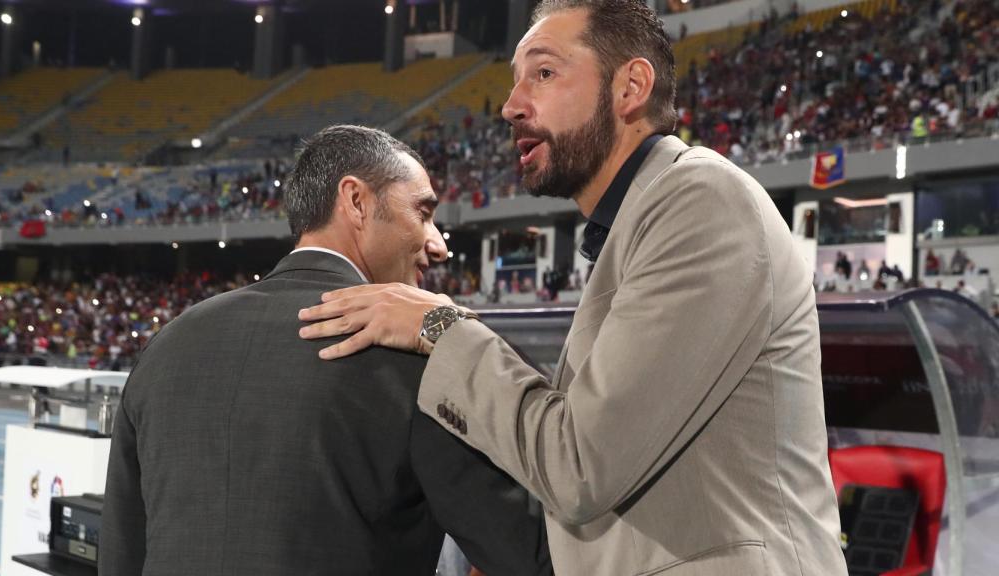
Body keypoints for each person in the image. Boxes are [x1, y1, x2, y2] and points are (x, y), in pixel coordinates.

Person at [297, 2, 846, 575]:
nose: (511, 106)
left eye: (544, 73)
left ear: (630, 86)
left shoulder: (702, 200)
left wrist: (439, 325)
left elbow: (581, 463)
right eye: (515, 82)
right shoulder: (638, 223)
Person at [101, 125, 551, 576]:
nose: (439, 245)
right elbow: (531, 554)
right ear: (356, 201)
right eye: (424, 211)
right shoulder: (412, 358)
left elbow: (121, 554)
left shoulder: (167, 345)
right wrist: (454, 328)